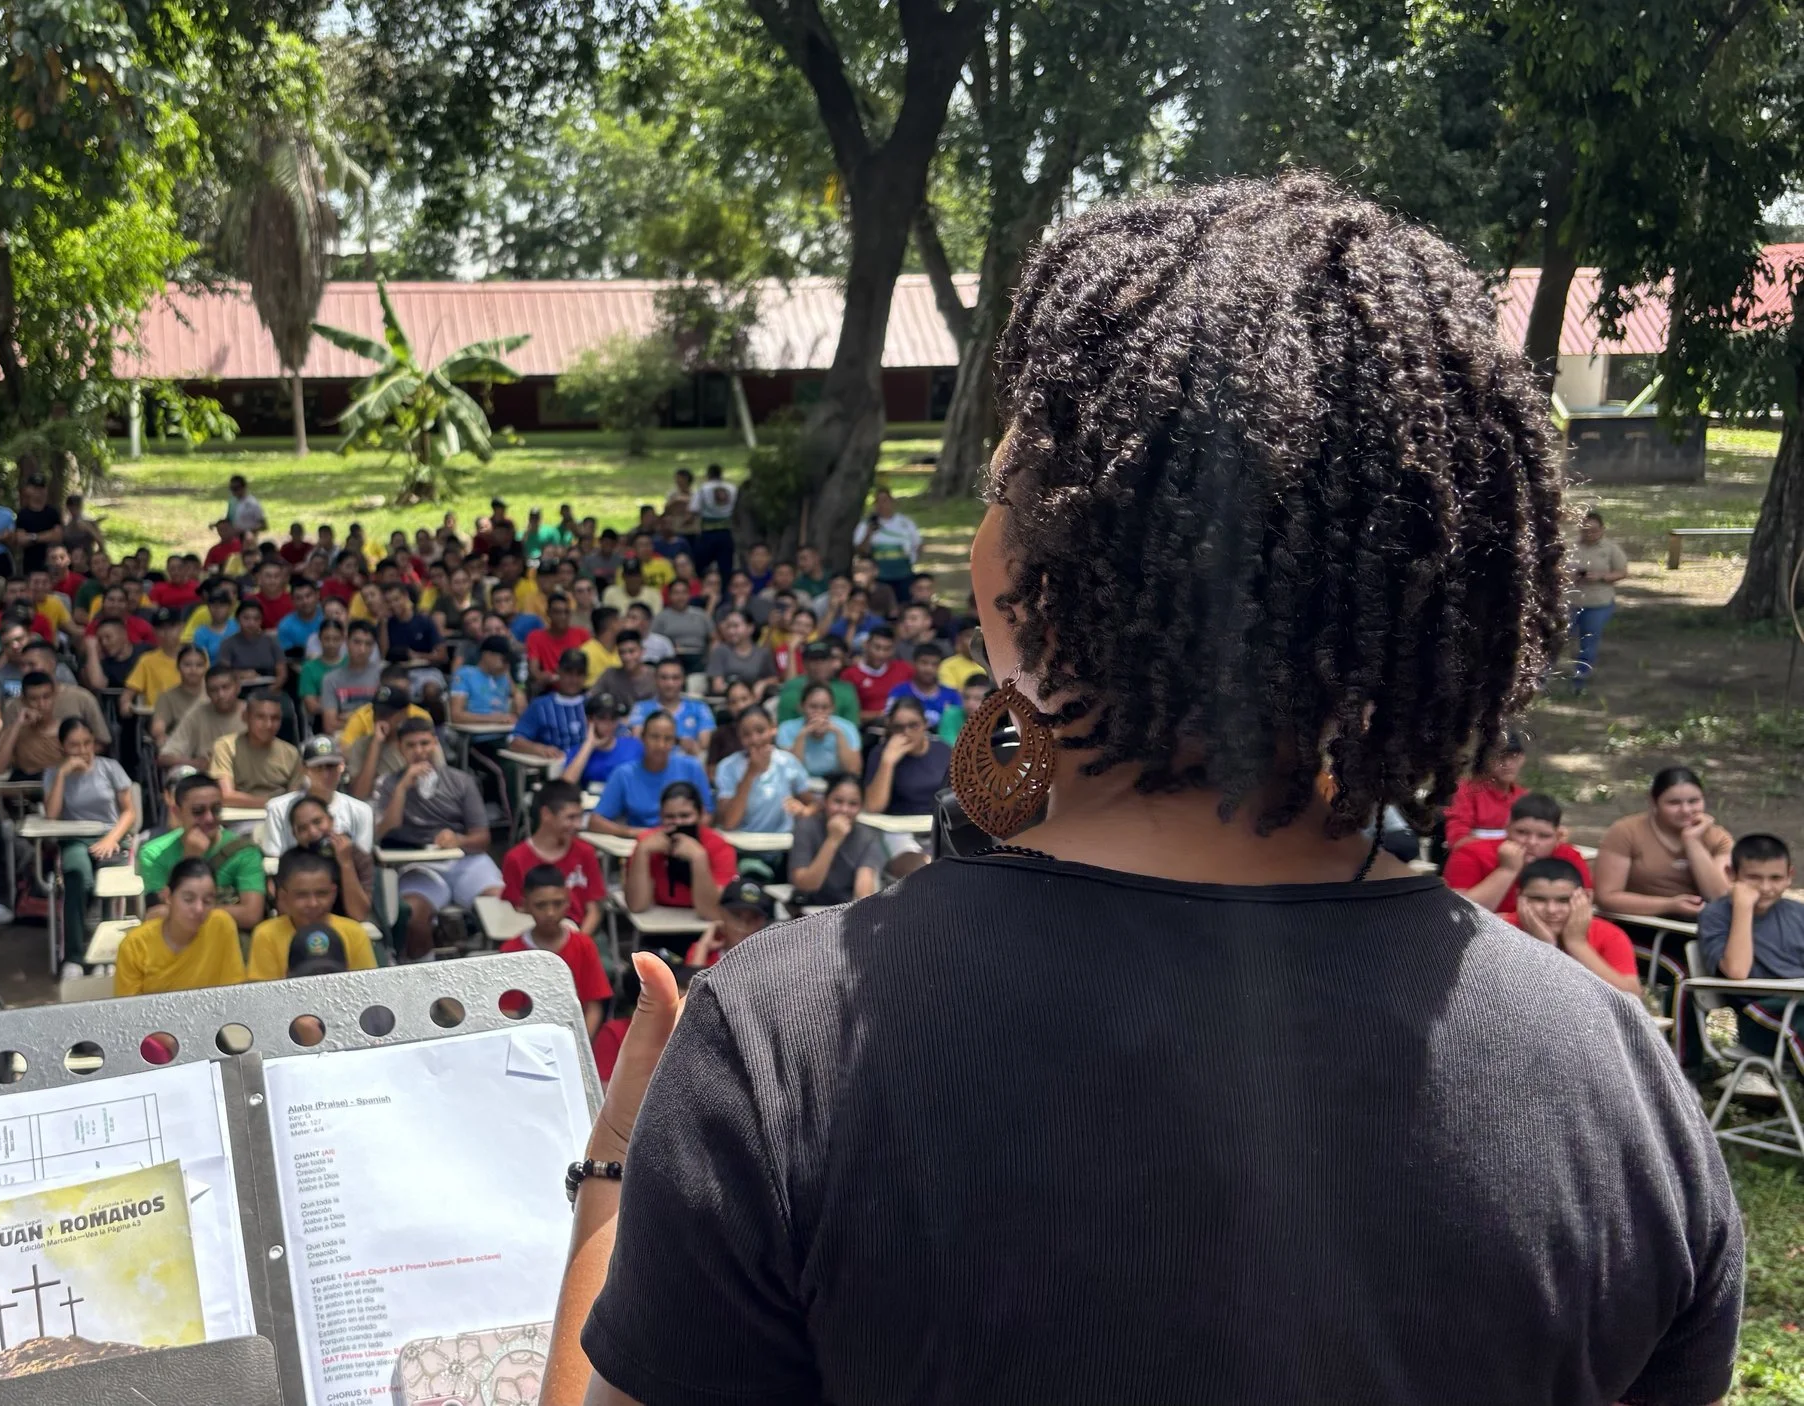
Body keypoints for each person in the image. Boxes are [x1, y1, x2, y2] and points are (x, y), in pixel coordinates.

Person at [552, 179, 1736, 1406]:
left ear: (1023, 577)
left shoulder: (789, 1046)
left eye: (1004, 478)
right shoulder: (1617, 1081)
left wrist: (615, 1182)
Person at [371, 718, 500, 959]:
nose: (419, 751)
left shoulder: (461, 781)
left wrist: (458, 840)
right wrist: (402, 789)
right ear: (400, 748)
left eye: (425, 743)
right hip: (417, 865)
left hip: (465, 863)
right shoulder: (388, 784)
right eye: (411, 745)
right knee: (413, 914)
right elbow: (383, 832)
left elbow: (483, 838)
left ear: (435, 744)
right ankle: (427, 984)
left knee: (502, 905)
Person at [1699, 834, 1804, 1060]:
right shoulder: (1716, 916)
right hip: (1758, 1014)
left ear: (1789, 877)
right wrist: (1743, 907)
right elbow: (1737, 971)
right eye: (1754, 878)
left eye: (1776, 878)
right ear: (1732, 875)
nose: (1766, 887)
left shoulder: (1797, 913)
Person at [1596, 765, 1735, 920]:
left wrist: (1692, 841)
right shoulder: (1626, 831)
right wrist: (1669, 905)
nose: (1686, 810)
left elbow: (1719, 898)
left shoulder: (1718, 838)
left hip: (1704, 927)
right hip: (1640, 923)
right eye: (1674, 803)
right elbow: (1607, 897)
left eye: (1694, 801)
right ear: (1654, 802)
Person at [44, 717, 137, 948]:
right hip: (74, 839)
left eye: (87, 743)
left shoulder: (110, 768)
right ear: (62, 747)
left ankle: (108, 951)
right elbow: (52, 816)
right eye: (74, 745)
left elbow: (129, 812)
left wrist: (111, 839)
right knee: (77, 876)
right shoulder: (53, 773)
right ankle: (74, 955)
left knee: (111, 878)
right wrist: (62, 775)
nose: (83, 750)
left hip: (111, 837)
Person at [140, 773, 269, 930]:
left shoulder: (244, 851)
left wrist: (180, 910)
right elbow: (156, 914)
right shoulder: (153, 853)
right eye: (198, 811)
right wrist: (191, 859)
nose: (209, 818)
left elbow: (250, 915)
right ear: (177, 813)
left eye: (215, 810)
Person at [114, 857, 248, 996]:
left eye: (207, 901)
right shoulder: (135, 945)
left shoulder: (221, 925)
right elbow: (129, 1011)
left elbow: (234, 991)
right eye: (188, 899)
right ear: (168, 896)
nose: (199, 909)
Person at [504, 864, 611, 1035]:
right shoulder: (512, 951)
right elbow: (508, 1013)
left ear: (569, 901)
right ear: (525, 905)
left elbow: (593, 1008)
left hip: (575, 1034)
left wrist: (582, 1047)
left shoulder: (584, 945)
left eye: (558, 903)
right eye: (541, 905)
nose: (550, 913)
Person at [1511, 857, 1641, 995]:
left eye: (1564, 900)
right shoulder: (1502, 927)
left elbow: (1632, 997)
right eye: (1538, 899)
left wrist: (1577, 944)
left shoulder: (1609, 934)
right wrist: (1544, 946)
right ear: (1519, 897)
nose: (1551, 910)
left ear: (1587, 897)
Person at [248, 847, 378, 982]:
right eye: (302, 895)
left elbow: (367, 985)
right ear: (284, 896)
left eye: (322, 893)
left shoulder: (354, 933)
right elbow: (264, 993)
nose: (313, 903)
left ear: (333, 893)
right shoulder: (266, 934)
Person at [1442, 792, 1584, 914]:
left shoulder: (1569, 856)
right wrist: (1507, 870)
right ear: (1507, 827)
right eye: (1522, 832)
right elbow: (1458, 912)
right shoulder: (1471, 853)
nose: (1531, 842)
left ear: (1558, 836)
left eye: (1544, 836)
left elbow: (1583, 907)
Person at [501, 780, 607, 927]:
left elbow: (593, 909)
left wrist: (577, 942)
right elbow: (516, 910)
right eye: (570, 817)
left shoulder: (586, 852)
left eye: (579, 817)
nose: (577, 825)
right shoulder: (516, 858)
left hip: (580, 934)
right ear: (546, 814)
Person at [623, 782, 734, 921]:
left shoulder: (719, 847)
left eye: (685, 816)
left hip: (703, 929)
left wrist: (699, 858)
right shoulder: (646, 843)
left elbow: (710, 913)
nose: (678, 823)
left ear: (701, 815)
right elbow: (636, 905)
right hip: (658, 926)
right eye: (670, 817)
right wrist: (642, 852)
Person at [589, 711, 711, 835]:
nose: (661, 745)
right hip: (638, 842)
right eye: (654, 737)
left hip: (685, 842)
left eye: (668, 739)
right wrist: (632, 832)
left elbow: (707, 815)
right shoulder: (624, 774)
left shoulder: (692, 767)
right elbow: (595, 822)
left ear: (675, 742)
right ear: (642, 738)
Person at [262, 736, 375, 855]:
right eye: (318, 767)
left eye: (331, 766)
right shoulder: (278, 809)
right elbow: (274, 859)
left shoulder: (361, 811)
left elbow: (362, 863)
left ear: (341, 766)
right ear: (304, 769)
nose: (326, 774)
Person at [712, 706, 813, 834]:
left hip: (782, 843)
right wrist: (750, 773)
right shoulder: (727, 767)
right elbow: (729, 822)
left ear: (773, 728)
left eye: (760, 731)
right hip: (743, 844)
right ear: (739, 737)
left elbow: (812, 804)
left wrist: (803, 810)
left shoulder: (787, 761)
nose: (755, 739)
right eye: (746, 734)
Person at [1568, 511, 1630, 689]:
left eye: (1593, 530)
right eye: (1585, 530)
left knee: (1588, 639)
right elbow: (1557, 569)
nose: (1589, 534)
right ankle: (1541, 676)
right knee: (1558, 638)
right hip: (1571, 601)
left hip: (1598, 603)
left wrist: (1602, 576)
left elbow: (1622, 572)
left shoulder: (1611, 549)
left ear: (1602, 529)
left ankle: (1582, 675)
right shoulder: (1571, 547)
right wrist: (1571, 575)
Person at [861, 695, 951, 818]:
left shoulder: (943, 750)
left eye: (913, 725)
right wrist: (887, 762)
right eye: (899, 727)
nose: (906, 732)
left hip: (937, 823)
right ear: (890, 728)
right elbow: (873, 807)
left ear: (925, 724)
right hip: (898, 825)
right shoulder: (879, 753)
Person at [211, 694, 303, 807]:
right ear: (245, 717)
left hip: (279, 815)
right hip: (238, 817)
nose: (268, 725)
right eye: (260, 717)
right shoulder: (226, 746)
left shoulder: (291, 753)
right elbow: (226, 796)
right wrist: (271, 804)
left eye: (275, 718)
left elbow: (295, 798)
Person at [1441, 730, 1528, 847]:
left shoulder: (1524, 797)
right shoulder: (1466, 790)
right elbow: (1457, 839)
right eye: (1499, 757)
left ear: (1522, 759)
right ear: (1485, 760)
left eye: (1513, 757)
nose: (1507, 764)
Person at [681, 876, 775, 972]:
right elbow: (691, 986)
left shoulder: (770, 958)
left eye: (753, 918)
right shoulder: (702, 951)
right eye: (736, 916)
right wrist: (703, 948)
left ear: (763, 922)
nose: (743, 926)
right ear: (721, 914)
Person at [164, 665, 248, 771]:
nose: (221, 694)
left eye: (226, 687)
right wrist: (194, 763)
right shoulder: (197, 715)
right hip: (207, 781)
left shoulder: (254, 713)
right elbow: (165, 757)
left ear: (238, 687)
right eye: (214, 690)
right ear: (207, 692)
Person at [775, 681, 864, 779]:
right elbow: (790, 772)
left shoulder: (848, 728)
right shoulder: (786, 729)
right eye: (813, 707)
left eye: (825, 707)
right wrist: (802, 734)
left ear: (833, 708)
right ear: (801, 707)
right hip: (802, 784)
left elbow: (853, 770)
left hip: (835, 782)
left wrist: (839, 734)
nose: (819, 712)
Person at [625, 659, 715, 754]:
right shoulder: (641, 708)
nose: (669, 684)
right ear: (655, 679)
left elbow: (705, 744)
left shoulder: (699, 707)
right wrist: (679, 742)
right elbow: (637, 740)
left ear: (683, 680)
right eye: (664, 678)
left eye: (675, 678)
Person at [852, 483, 923, 590]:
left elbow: (918, 545)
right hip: (879, 576)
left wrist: (911, 561)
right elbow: (861, 551)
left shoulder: (906, 523)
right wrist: (869, 533)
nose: (882, 505)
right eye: (878, 501)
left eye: (885, 500)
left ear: (892, 502)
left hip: (903, 573)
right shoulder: (866, 524)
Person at [447, 637, 520, 735]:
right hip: (477, 736)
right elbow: (456, 715)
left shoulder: (504, 678)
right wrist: (494, 719)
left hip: (505, 733)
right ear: (487, 655)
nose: (507, 665)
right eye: (504, 660)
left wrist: (516, 691)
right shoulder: (465, 674)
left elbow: (520, 709)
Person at [701, 608, 775, 691]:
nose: (731, 631)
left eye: (736, 626)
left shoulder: (763, 653)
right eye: (728, 627)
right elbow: (717, 686)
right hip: (727, 699)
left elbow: (773, 678)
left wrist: (763, 683)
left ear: (750, 628)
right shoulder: (720, 651)